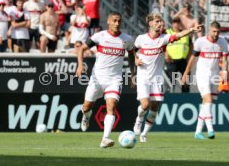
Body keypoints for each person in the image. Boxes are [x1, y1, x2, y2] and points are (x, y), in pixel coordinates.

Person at [132, 13, 202, 143]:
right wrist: (135, 60)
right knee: (145, 105)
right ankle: (139, 120)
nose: (160, 24)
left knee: (155, 107)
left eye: (161, 21)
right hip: (143, 77)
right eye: (157, 21)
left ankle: (144, 133)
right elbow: (132, 51)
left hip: (157, 78)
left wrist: (191, 30)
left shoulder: (164, 38)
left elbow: (179, 35)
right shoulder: (141, 39)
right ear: (150, 23)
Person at [76, 11, 135, 148]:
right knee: (86, 107)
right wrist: (80, 65)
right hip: (96, 79)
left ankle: (105, 138)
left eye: (119, 21)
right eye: (114, 20)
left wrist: (133, 74)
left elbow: (132, 55)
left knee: (111, 106)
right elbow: (81, 49)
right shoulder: (99, 36)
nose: (117, 23)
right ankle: (86, 116)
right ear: (108, 21)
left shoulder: (127, 39)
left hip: (114, 79)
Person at [182, 21, 228, 140]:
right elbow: (192, 58)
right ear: (209, 30)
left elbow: (224, 60)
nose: (216, 34)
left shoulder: (223, 42)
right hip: (202, 74)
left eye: (218, 32)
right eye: (214, 31)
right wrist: (186, 73)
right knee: (207, 99)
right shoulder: (200, 42)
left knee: (207, 104)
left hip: (215, 75)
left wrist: (224, 75)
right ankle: (210, 130)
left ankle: (197, 132)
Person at [165, 17, 192, 93]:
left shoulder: (185, 33)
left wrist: (189, 56)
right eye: (174, 22)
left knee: (186, 81)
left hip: (183, 61)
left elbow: (191, 45)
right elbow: (162, 44)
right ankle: (169, 98)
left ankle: (185, 99)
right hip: (172, 61)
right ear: (172, 24)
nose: (176, 24)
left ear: (180, 24)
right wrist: (166, 54)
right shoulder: (168, 32)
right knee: (171, 82)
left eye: (178, 22)